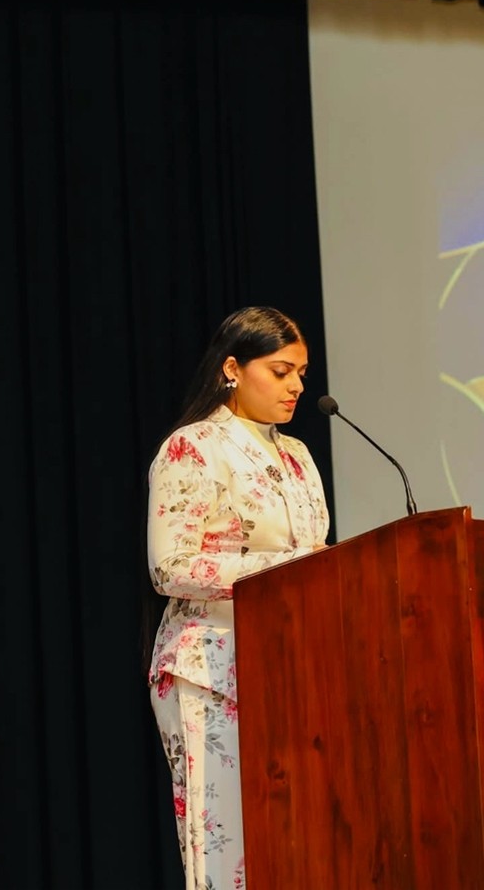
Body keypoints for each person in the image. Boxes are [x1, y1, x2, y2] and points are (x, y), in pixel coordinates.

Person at [145, 306, 329, 890]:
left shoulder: (298, 456)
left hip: (292, 666)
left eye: (301, 373)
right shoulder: (193, 448)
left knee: (297, 844)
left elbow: (317, 554)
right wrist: (289, 567)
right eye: (280, 371)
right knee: (229, 853)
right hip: (211, 669)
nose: (297, 386)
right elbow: (171, 566)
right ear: (232, 368)